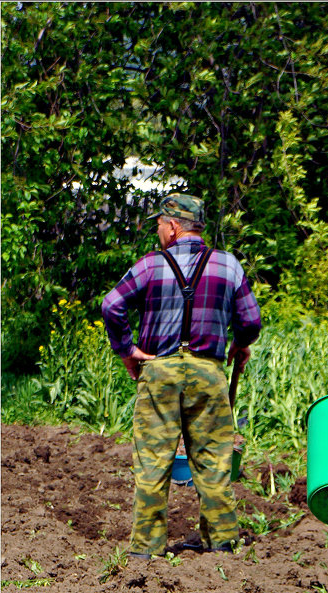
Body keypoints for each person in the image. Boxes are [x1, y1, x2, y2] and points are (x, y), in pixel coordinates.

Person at [102, 193, 261, 557]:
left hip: (159, 371)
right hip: (208, 372)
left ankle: (146, 550)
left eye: (159, 224)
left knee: (152, 463)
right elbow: (250, 322)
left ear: (173, 227)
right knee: (213, 462)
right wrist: (239, 343)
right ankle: (221, 543)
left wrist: (126, 349)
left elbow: (112, 304)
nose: (158, 230)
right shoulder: (228, 265)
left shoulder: (149, 266)